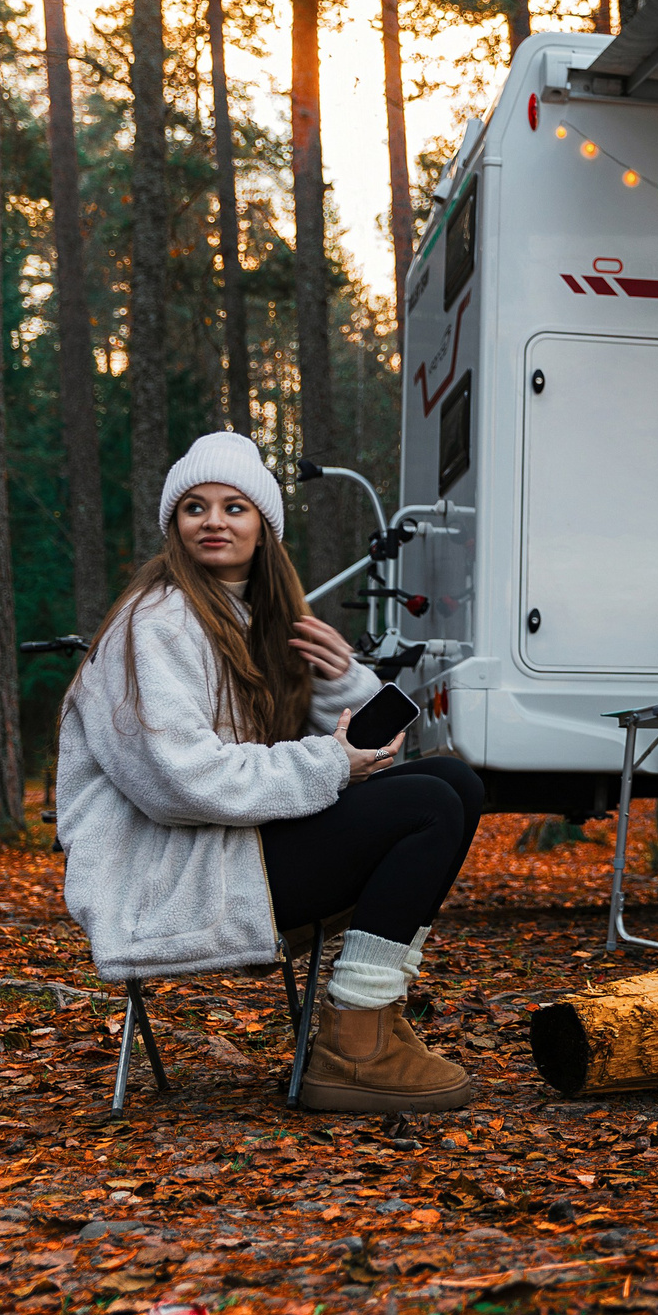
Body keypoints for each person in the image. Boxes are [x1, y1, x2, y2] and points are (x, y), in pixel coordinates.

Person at [57, 432, 487, 1113]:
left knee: (455, 783)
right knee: (429, 806)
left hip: (228, 853)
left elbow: (365, 749)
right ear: (175, 526)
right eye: (195, 507)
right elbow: (180, 781)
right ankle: (357, 1042)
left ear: (263, 528)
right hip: (168, 879)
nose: (215, 520)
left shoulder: (253, 622)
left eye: (235, 506)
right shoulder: (155, 622)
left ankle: (370, 1018)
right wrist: (328, 763)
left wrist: (344, 680)